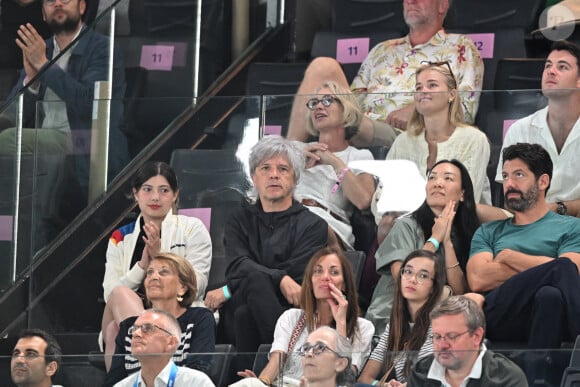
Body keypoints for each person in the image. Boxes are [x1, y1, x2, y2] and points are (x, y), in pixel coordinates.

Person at [286, 0, 483, 148]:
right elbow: (353, 102)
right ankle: (288, 153)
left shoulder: (460, 47)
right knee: (323, 66)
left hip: (410, 134)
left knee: (343, 122)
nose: (410, 1)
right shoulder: (382, 49)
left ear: (442, 5)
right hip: (361, 125)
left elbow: (465, 110)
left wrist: (417, 110)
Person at [204, 135, 328, 354]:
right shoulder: (238, 219)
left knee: (245, 314)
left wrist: (230, 288)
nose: (273, 175)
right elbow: (237, 266)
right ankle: (284, 362)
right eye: (265, 168)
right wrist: (280, 277)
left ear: (295, 178)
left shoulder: (313, 225)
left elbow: (299, 277)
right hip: (243, 308)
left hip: (290, 311)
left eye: (283, 169)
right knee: (250, 288)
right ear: (253, 177)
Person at [468, 143, 580, 384]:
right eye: (506, 176)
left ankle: (537, 381)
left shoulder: (571, 227)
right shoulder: (490, 231)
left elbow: (573, 272)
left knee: (550, 294)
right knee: (557, 271)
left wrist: (510, 257)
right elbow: (479, 278)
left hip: (551, 316)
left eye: (519, 175)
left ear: (543, 182)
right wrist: (546, 265)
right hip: (500, 312)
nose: (509, 184)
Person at [0, 0, 128, 185]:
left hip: (87, 138)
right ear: (43, 13)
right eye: (51, 1)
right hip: (45, 137)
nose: (58, 4)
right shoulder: (42, 49)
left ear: (82, 7)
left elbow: (88, 103)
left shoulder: (103, 48)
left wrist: (45, 66)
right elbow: (13, 113)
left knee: (8, 139)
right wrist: (32, 81)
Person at [102, 161, 212, 369]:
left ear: (175, 195)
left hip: (177, 309)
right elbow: (110, 294)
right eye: (147, 190)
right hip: (127, 314)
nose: (155, 198)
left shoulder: (192, 228)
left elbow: (198, 285)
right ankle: (150, 365)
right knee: (119, 299)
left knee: (113, 330)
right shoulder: (119, 237)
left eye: (164, 190)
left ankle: (152, 369)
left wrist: (159, 256)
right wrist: (142, 265)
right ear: (135, 194)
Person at [231, 246, 374, 386]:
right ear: (311, 282)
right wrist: (261, 382)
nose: (325, 277)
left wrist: (341, 323)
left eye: (334, 272)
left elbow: (345, 381)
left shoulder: (362, 328)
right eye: (318, 271)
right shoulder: (292, 317)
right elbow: (276, 360)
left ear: (344, 284)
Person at [366, 159, 480, 334]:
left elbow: (459, 292)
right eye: (432, 178)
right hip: (392, 319)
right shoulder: (405, 225)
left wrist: (447, 242)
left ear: (462, 194)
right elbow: (406, 280)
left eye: (448, 179)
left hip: (433, 322)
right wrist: (435, 239)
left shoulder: (463, 234)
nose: (438, 183)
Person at [386, 62, 491, 204]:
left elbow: (466, 200)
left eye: (432, 85)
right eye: (418, 87)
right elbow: (382, 194)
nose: (423, 90)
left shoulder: (474, 140)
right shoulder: (403, 141)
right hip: (405, 221)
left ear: (452, 95)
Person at [104, 252, 215, 386]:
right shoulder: (129, 326)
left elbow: (199, 370)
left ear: (182, 288)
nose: (154, 277)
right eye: (149, 272)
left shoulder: (199, 318)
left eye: (163, 272)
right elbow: (115, 380)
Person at [497, 40, 580, 217]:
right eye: (548, 65)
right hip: (529, 227)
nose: (551, 71)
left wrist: (559, 209)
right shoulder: (519, 130)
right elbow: (509, 197)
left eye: (562, 67)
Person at [296, 81, 376, 250]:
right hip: (288, 217)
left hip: (327, 225)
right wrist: (293, 163)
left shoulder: (358, 156)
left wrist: (334, 162)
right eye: (314, 103)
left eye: (326, 101)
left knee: (312, 227)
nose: (318, 107)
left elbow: (363, 200)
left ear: (346, 108)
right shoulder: (298, 150)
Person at [357, 249, 445, 386]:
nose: (412, 280)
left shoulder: (439, 325)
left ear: (434, 286)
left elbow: (432, 380)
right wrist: (384, 385)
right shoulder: (395, 323)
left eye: (423, 275)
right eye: (408, 272)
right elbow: (364, 378)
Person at [407, 295, 528, 387]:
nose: (442, 345)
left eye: (452, 336)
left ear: (476, 336)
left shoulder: (507, 379)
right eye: (437, 336)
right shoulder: (420, 373)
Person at [112, 308, 215, 387]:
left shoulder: (195, 383)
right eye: (134, 329)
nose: (136, 333)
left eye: (147, 328)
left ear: (171, 342)